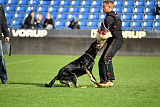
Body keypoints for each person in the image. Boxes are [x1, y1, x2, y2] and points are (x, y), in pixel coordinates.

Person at [94, 0, 123, 87]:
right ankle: (103, 81)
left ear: (109, 7)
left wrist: (98, 42)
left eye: (104, 6)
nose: (102, 8)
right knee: (102, 61)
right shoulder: (115, 15)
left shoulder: (109, 18)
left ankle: (109, 81)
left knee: (106, 58)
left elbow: (105, 33)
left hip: (116, 40)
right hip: (116, 40)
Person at [0, 4, 10, 84]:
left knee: (1, 57)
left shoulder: (0, 6)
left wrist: (6, 34)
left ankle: (4, 77)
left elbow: (3, 21)